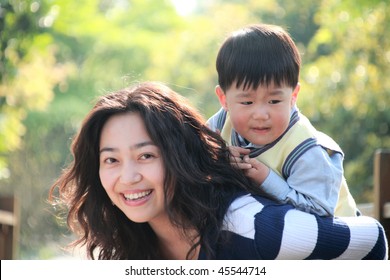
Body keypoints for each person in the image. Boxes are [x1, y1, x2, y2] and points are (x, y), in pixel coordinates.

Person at [49, 81, 387, 260]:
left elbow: (372, 239)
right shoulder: (127, 241)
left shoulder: (254, 228)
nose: (128, 176)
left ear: (179, 155)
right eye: (111, 160)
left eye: (146, 155)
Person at [207, 23, 357, 217]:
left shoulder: (305, 148)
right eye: (247, 102)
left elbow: (320, 213)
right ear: (224, 99)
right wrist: (218, 156)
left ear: (294, 96)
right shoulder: (222, 123)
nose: (261, 114)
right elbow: (195, 151)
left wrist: (267, 180)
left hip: (339, 236)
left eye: (274, 100)